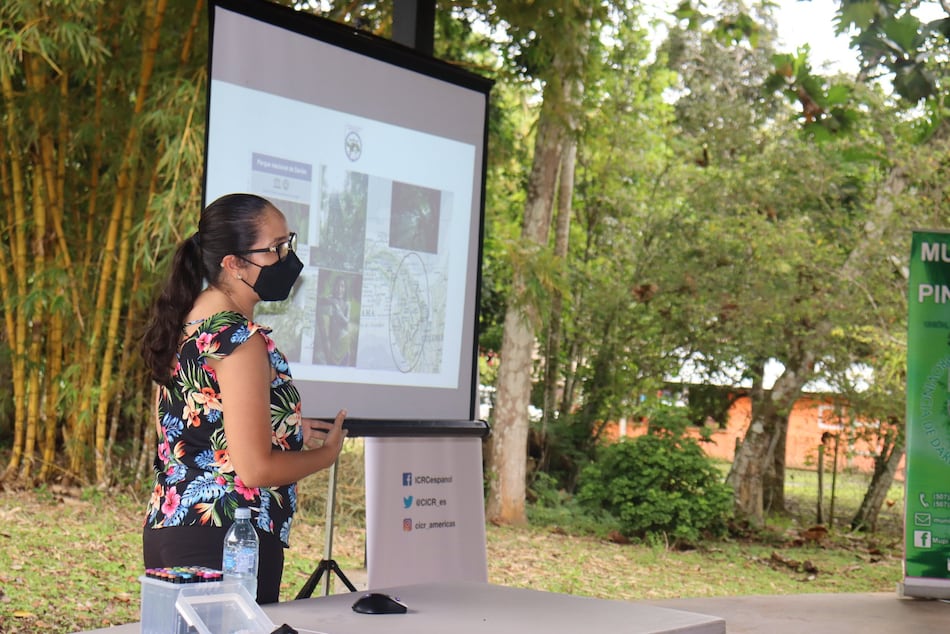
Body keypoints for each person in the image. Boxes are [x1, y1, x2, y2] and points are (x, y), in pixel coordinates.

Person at [140, 192, 347, 604]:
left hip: (177, 527)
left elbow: (198, 419)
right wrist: (326, 456)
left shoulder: (190, 320)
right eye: (275, 249)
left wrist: (282, 425)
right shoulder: (239, 339)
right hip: (226, 540)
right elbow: (253, 469)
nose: (287, 258)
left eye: (287, 243)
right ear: (232, 264)